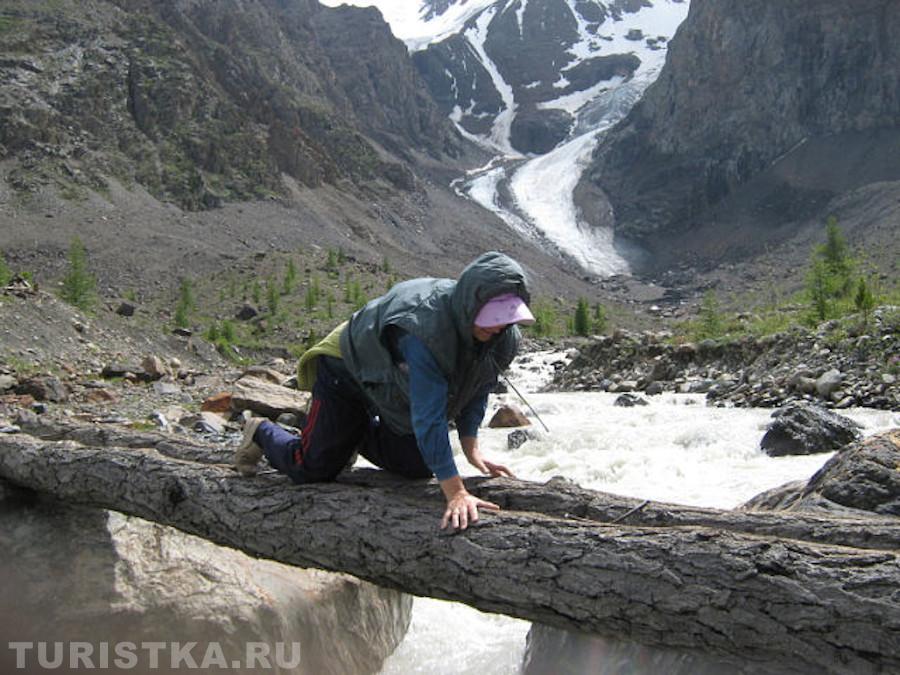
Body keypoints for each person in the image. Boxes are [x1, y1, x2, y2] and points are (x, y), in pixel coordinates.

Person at [234, 251, 535, 530]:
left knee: (416, 466)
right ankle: (261, 431)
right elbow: (429, 418)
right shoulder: (423, 331)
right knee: (312, 469)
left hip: (393, 381)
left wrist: (471, 449)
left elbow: (477, 386)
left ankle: (347, 433)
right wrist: (456, 493)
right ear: (470, 304)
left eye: (506, 317)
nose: (497, 326)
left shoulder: (502, 338)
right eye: (492, 316)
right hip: (348, 367)